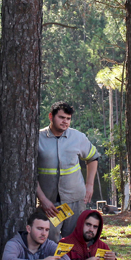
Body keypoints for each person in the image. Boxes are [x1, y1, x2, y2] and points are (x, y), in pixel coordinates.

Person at [36, 101, 101, 241]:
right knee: (49, 239)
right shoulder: (37, 138)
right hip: (50, 203)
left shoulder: (78, 137)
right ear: (50, 116)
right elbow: (29, 174)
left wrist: (89, 186)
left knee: (74, 239)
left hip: (75, 200)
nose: (65, 122)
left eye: (68, 119)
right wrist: (42, 200)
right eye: (61, 117)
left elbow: (93, 158)